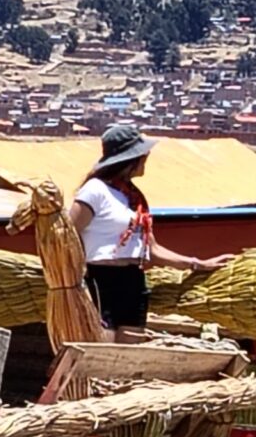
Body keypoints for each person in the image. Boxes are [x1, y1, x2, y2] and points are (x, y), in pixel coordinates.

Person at [67, 123, 229, 330]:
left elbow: (152, 250)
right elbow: (66, 235)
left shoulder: (133, 197)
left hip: (133, 281)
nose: (146, 159)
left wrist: (197, 264)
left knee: (131, 352)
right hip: (101, 281)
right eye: (144, 155)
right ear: (131, 159)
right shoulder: (94, 191)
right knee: (103, 350)